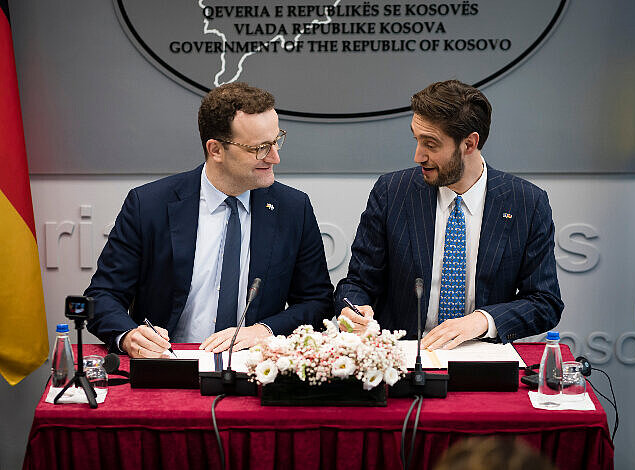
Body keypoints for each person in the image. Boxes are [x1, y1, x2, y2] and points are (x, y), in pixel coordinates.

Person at [85, 83, 333, 357]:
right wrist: (130, 337)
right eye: (260, 148)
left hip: (256, 369)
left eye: (276, 141)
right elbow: (102, 296)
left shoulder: (293, 208)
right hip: (170, 364)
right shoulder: (149, 205)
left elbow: (317, 302)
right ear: (216, 150)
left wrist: (264, 331)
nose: (275, 157)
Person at [334, 79, 563, 349]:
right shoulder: (392, 192)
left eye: (430, 144)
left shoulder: (526, 203)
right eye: (416, 139)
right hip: (403, 355)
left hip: (482, 358)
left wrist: (482, 321)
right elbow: (358, 283)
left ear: (469, 144)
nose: (418, 155)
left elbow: (545, 302)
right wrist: (354, 309)